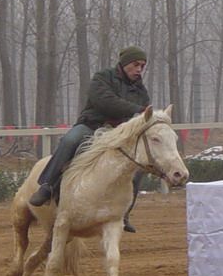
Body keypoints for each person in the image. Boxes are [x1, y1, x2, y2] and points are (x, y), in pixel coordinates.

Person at [29, 46, 150, 233]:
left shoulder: (141, 90)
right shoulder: (102, 78)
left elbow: (141, 117)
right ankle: (47, 186)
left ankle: (124, 213)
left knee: (136, 166)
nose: (139, 69)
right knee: (70, 140)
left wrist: (138, 116)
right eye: (136, 65)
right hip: (92, 126)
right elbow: (105, 102)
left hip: (118, 134)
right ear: (125, 63)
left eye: (142, 66)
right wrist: (137, 110)